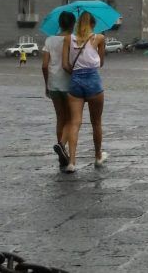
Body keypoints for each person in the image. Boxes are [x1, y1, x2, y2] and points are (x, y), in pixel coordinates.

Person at [62, 11, 107, 173]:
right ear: (92, 25)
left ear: (78, 25)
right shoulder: (99, 38)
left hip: (75, 81)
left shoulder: (68, 39)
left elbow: (65, 65)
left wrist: (75, 72)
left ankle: (72, 162)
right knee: (96, 122)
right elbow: (101, 62)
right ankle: (98, 156)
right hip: (93, 81)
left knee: (75, 122)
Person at [42, 11, 76, 169]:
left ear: (60, 24)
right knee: (71, 119)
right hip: (69, 83)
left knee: (60, 118)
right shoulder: (73, 40)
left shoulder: (49, 40)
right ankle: (62, 146)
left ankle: (61, 153)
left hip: (53, 83)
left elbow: (44, 65)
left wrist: (46, 84)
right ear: (72, 24)